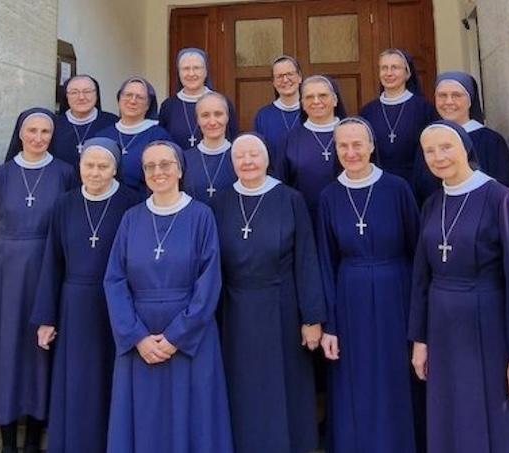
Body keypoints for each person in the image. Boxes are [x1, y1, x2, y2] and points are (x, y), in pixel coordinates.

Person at [409, 120, 509, 453]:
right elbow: (421, 278)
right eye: (429, 151)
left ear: (465, 148)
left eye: (446, 147)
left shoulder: (501, 199)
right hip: (443, 331)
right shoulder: (433, 204)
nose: (438, 157)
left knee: (501, 421)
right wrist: (420, 339)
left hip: (491, 329)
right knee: (454, 416)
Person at [0, 108, 76, 453]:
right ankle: (8, 442)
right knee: (5, 350)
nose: (38, 137)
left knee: (40, 352)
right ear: (20, 134)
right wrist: (2, 262)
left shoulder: (65, 173)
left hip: (47, 269)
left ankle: (34, 441)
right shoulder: (1, 175)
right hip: (4, 277)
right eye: (31, 131)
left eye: (45, 132)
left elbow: (70, 223)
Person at [104, 140, 233, 452]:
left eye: (165, 164)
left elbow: (209, 281)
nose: (157, 171)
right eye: (149, 166)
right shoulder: (131, 218)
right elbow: (115, 280)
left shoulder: (201, 215)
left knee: (192, 419)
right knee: (144, 419)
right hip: (140, 334)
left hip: (190, 335)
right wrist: (137, 336)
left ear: (180, 170)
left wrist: (177, 336)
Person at [211, 133, 325, 453]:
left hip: (282, 306)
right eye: (240, 156)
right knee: (241, 383)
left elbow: (306, 259)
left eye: (254, 155)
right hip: (234, 309)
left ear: (267, 159)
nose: (247, 161)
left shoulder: (290, 199)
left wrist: (312, 318)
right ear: (232, 162)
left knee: (283, 383)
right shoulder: (220, 202)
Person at [317, 117, 420, 453]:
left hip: (397, 293)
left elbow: (417, 250)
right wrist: (330, 325)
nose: (351, 152)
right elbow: (325, 261)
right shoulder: (330, 196)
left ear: (372, 146)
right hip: (350, 298)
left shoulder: (397, 188)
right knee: (355, 377)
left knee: (396, 375)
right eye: (343, 146)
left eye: (357, 144)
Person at [31, 138, 139, 453]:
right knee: (77, 381)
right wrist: (46, 318)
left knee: (112, 379)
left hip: (117, 305)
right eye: (89, 165)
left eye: (103, 166)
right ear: (79, 166)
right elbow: (52, 261)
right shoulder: (64, 204)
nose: (94, 172)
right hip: (74, 305)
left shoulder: (131, 202)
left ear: (115, 169)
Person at [415, 71, 509, 201]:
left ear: (470, 99)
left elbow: (503, 192)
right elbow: (420, 187)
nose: (448, 101)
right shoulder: (429, 140)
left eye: (456, 95)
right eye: (442, 95)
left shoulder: (491, 141)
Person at [360, 48, 437, 193]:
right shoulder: (368, 111)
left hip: (415, 186)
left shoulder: (424, 109)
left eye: (395, 67)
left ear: (407, 73)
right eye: (384, 68)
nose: (389, 73)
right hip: (377, 185)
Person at [276, 75, 347, 222]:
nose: (316, 101)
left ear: (335, 100)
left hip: (347, 216)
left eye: (323, 95)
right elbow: (282, 185)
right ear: (302, 103)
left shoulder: (352, 133)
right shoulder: (290, 140)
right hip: (305, 218)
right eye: (309, 97)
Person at [97, 76, 172, 195]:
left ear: (148, 105)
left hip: (144, 200)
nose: (132, 101)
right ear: (119, 100)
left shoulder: (158, 136)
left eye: (140, 97)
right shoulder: (103, 136)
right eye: (128, 95)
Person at [159, 47, 239, 150]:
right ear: (179, 73)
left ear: (206, 72)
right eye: (186, 69)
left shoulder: (222, 102)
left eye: (197, 68)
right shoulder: (168, 106)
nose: (191, 73)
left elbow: (232, 139)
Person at [48, 74, 118, 172]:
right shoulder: (54, 124)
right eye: (74, 92)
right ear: (66, 96)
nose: (81, 97)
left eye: (87, 91)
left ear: (96, 94)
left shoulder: (112, 122)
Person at [182, 91, 235, 204]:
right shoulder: (184, 159)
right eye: (205, 115)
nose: (212, 122)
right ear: (197, 120)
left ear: (227, 117)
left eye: (218, 114)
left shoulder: (239, 156)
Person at [253, 55, 303, 165]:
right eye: (279, 76)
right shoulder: (263, 116)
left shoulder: (312, 111)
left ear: (299, 77)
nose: (285, 80)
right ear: (273, 82)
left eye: (290, 74)